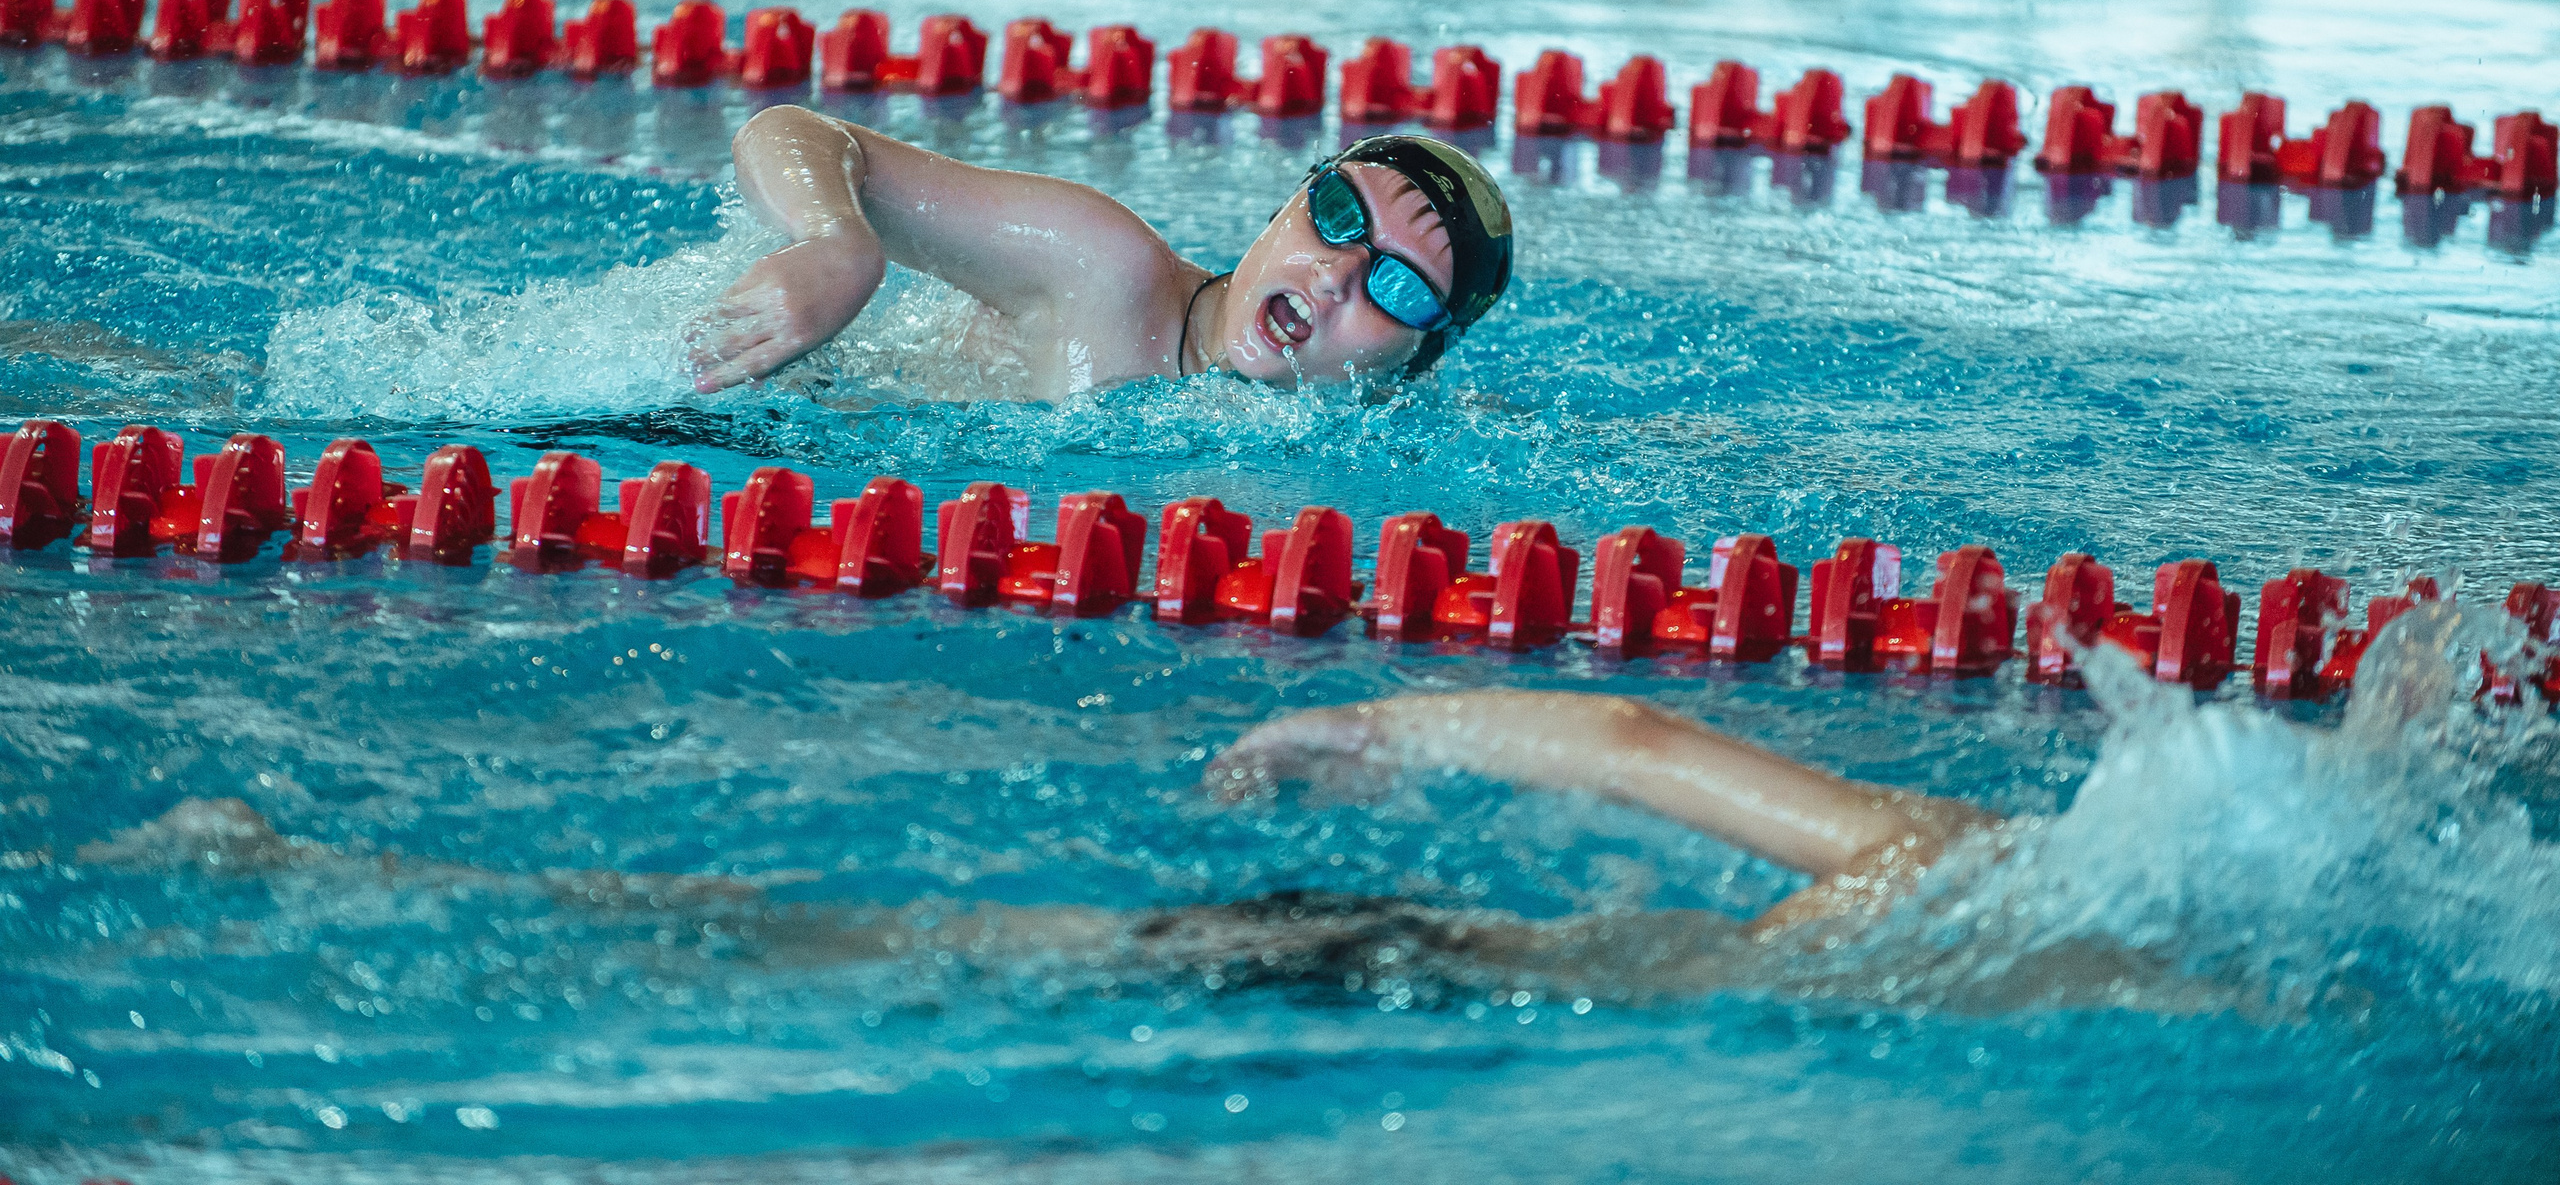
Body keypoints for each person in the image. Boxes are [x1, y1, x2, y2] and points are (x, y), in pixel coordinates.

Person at [85, 690, 2008, 1007]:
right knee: (876, 949)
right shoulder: (2016, 894)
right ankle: (336, 890)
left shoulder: (1969, 851)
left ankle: (341, 883)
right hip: (1391, 968)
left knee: (867, 937)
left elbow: (1640, 741)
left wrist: (1369, 721)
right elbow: (1638, 737)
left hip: (1407, 955)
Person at [683, 108, 1512, 398]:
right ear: (1282, 207)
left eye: (1399, 288)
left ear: (1413, 361)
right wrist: (837, 242)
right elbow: (792, 132)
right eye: (1337, 213)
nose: (1336, 276)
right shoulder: (1101, 268)